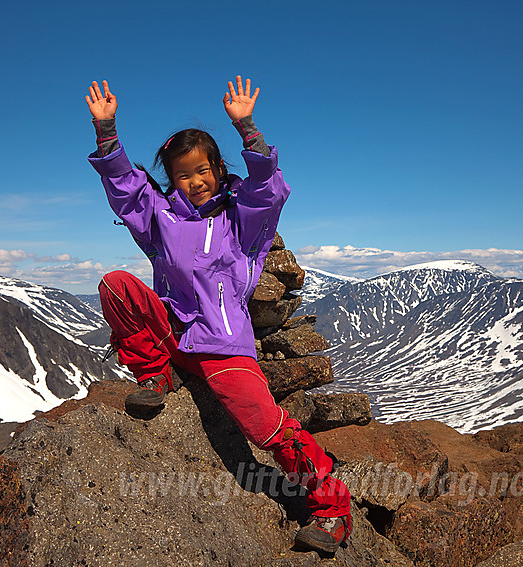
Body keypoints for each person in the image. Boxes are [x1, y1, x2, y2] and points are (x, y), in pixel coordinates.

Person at [85, 76, 352, 554]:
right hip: (173, 335)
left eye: (203, 169)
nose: (195, 179)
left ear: (218, 167)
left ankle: (332, 507)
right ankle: (157, 373)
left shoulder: (240, 219)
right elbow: (127, 192)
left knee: (263, 425)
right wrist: (107, 132)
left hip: (221, 345)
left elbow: (269, 190)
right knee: (116, 286)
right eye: (183, 174)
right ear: (172, 178)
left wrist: (247, 127)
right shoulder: (162, 218)